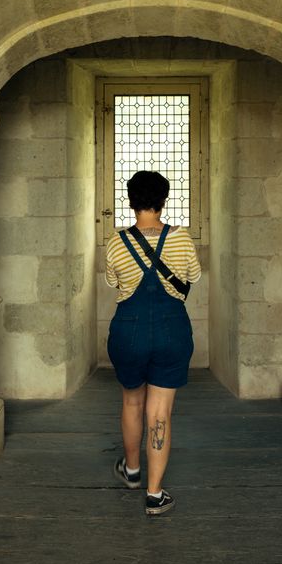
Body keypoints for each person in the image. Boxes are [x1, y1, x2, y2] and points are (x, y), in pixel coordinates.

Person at [105, 170, 201, 515]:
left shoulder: (116, 243)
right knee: (159, 411)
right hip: (171, 329)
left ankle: (131, 471)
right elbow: (192, 277)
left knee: (132, 401)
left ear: (130, 202)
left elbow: (114, 282)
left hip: (127, 331)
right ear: (164, 201)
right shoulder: (181, 239)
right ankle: (155, 494)